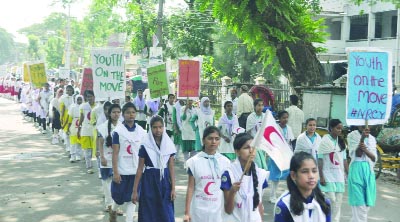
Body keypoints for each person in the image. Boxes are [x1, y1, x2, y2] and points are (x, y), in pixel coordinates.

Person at [132, 115, 176, 222]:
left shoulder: (168, 144)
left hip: (164, 181)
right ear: (150, 128)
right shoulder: (145, 145)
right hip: (149, 181)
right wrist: (135, 191)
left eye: (160, 127)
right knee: (149, 210)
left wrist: (173, 188)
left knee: (166, 211)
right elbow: (139, 169)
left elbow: (171, 168)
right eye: (155, 127)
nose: (158, 130)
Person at [184, 126, 231, 222]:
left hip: (218, 210)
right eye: (210, 138)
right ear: (203, 140)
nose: (213, 142)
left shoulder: (225, 162)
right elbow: (190, 188)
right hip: (199, 209)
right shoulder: (194, 162)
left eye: (217, 139)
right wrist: (187, 212)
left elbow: (227, 189)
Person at [110, 102, 146, 222]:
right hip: (122, 170)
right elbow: (115, 153)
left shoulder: (141, 131)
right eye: (128, 112)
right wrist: (115, 172)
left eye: (133, 112)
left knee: (133, 199)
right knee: (119, 198)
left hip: (136, 171)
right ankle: (113, 209)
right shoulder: (118, 132)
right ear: (123, 115)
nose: (131, 115)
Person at [221, 133, 269, 222]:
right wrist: (232, 192)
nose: (251, 151)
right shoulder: (229, 174)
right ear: (237, 151)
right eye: (246, 148)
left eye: (253, 147)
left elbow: (259, 206)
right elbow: (228, 210)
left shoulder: (261, 174)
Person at [274, 152, 331, 222]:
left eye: (314, 171)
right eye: (305, 171)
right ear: (293, 175)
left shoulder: (324, 202)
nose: (311, 176)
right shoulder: (284, 205)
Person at [318, 119, 348, 222]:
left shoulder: (341, 142)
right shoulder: (324, 141)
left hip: (339, 175)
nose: (340, 131)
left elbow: (344, 160)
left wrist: (348, 174)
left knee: (338, 203)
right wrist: (321, 176)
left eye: (341, 129)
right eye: (337, 128)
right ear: (331, 128)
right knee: (331, 200)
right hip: (327, 174)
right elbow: (320, 159)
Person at [347, 126, 377, 222]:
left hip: (368, 171)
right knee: (359, 206)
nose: (365, 126)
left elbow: (373, 158)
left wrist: (366, 150)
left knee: (366, 205)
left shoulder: (372, 138)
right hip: (356, 170)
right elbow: (358, 154)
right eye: (362, 124)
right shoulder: (352, 135)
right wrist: (362, 138)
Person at [97, 104, 121, 213]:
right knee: (106, 182)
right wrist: (101, 156)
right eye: (114, 112)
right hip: (106, 158)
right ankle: (108, 204)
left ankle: (116, 205)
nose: (116, 114)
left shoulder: (122, 126)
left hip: (119, 160)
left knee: (117, 182)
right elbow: (100, 142)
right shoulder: (103, 126)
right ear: (109, 114)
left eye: (118, 112)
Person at [268, 110, 294, 203]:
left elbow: (290, 141)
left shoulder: (289, 128)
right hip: (276, 155)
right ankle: (272, 196)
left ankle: (289, 195)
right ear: (279, 118)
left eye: (287, 117)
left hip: (286, 155)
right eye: (283, 117)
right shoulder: (275, 128)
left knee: (288, 175)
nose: (285, 119)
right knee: (275, 176)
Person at [78, 90, 96, 174]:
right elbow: (81, 118)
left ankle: (95, 166)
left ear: (94, 96)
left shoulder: (98, 106)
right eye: (88, 96)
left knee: (94, 150)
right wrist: (79, 129)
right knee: (87, 150)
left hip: (94, 130)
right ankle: (89, 166)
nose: (89, 98)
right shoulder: (83, 106)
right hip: (85, 130)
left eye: (91, 96)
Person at [246, 98, 267, 169]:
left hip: (263, 143)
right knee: (257, 162)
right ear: (255, 106)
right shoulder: (251, 117)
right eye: (259, 105)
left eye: (262, 105)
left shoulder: (265, 116)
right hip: (254, 143)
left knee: (263, 161)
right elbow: (248, 131)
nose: (260, 107)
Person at [67, 95, 83, 162]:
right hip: (74, 125)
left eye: (80, 99)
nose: (79, 101)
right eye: (78, 99)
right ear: (75, 100)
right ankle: (72, 155)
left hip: (81, 125)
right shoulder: (72, 107)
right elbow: (70, 118)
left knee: (79, 142)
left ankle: (78, 155)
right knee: (73, 142)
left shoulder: (84, 107)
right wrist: (68, 127)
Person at [60, 85, 75, 153]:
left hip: (73, 115)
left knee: (72, 130)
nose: (68, 91)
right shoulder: (63, 98)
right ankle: (68, 146)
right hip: (66, 115)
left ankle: (73, 147)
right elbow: (62, 108)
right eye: (67, 90)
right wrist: (62, 117)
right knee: (66, 131)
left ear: (72, 90)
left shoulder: (75, 97)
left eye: (70, 90)